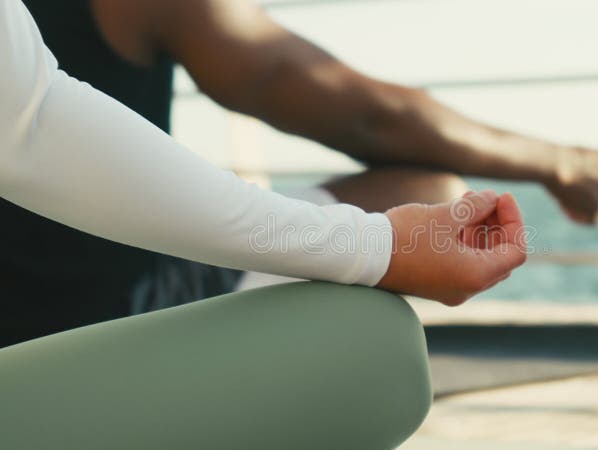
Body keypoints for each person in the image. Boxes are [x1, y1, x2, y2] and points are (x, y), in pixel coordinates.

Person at [0, 1, 527, 447]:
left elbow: (32, 122)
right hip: (89, 339)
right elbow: (35, 123)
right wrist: (377, 247)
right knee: (377, 338)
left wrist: (377, 247)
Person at [2, 0, 598, 346]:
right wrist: (557, 163)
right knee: (425, 192)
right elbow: (371, 119)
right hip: (102, 322)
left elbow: (31, 125)